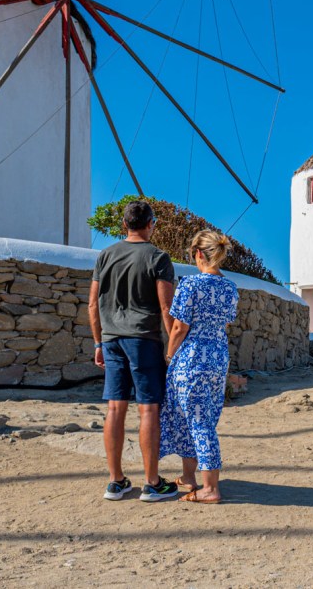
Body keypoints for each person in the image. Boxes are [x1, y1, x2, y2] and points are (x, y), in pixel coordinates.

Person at [88, 199, 179, 502]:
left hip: (111, 338)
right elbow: (166, 307)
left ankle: (116, 482)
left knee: (115, 408)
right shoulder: (158, 257)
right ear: (151, 224)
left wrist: (99, 342)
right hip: (143, 340)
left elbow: (92, 304)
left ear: (124, 224)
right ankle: (152, 483)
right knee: (148, 408)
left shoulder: (105, 255)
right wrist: (173, 346)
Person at [160, 229, 240, 504]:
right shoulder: (230, 287)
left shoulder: (190, 284)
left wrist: (169, 356)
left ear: (198, 253)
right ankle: (189, 477)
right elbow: (226, 322)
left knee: (198, 421)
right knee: (199, 417)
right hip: (218, 357)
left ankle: (210, 488)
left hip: (192, 358)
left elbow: (180, 326)